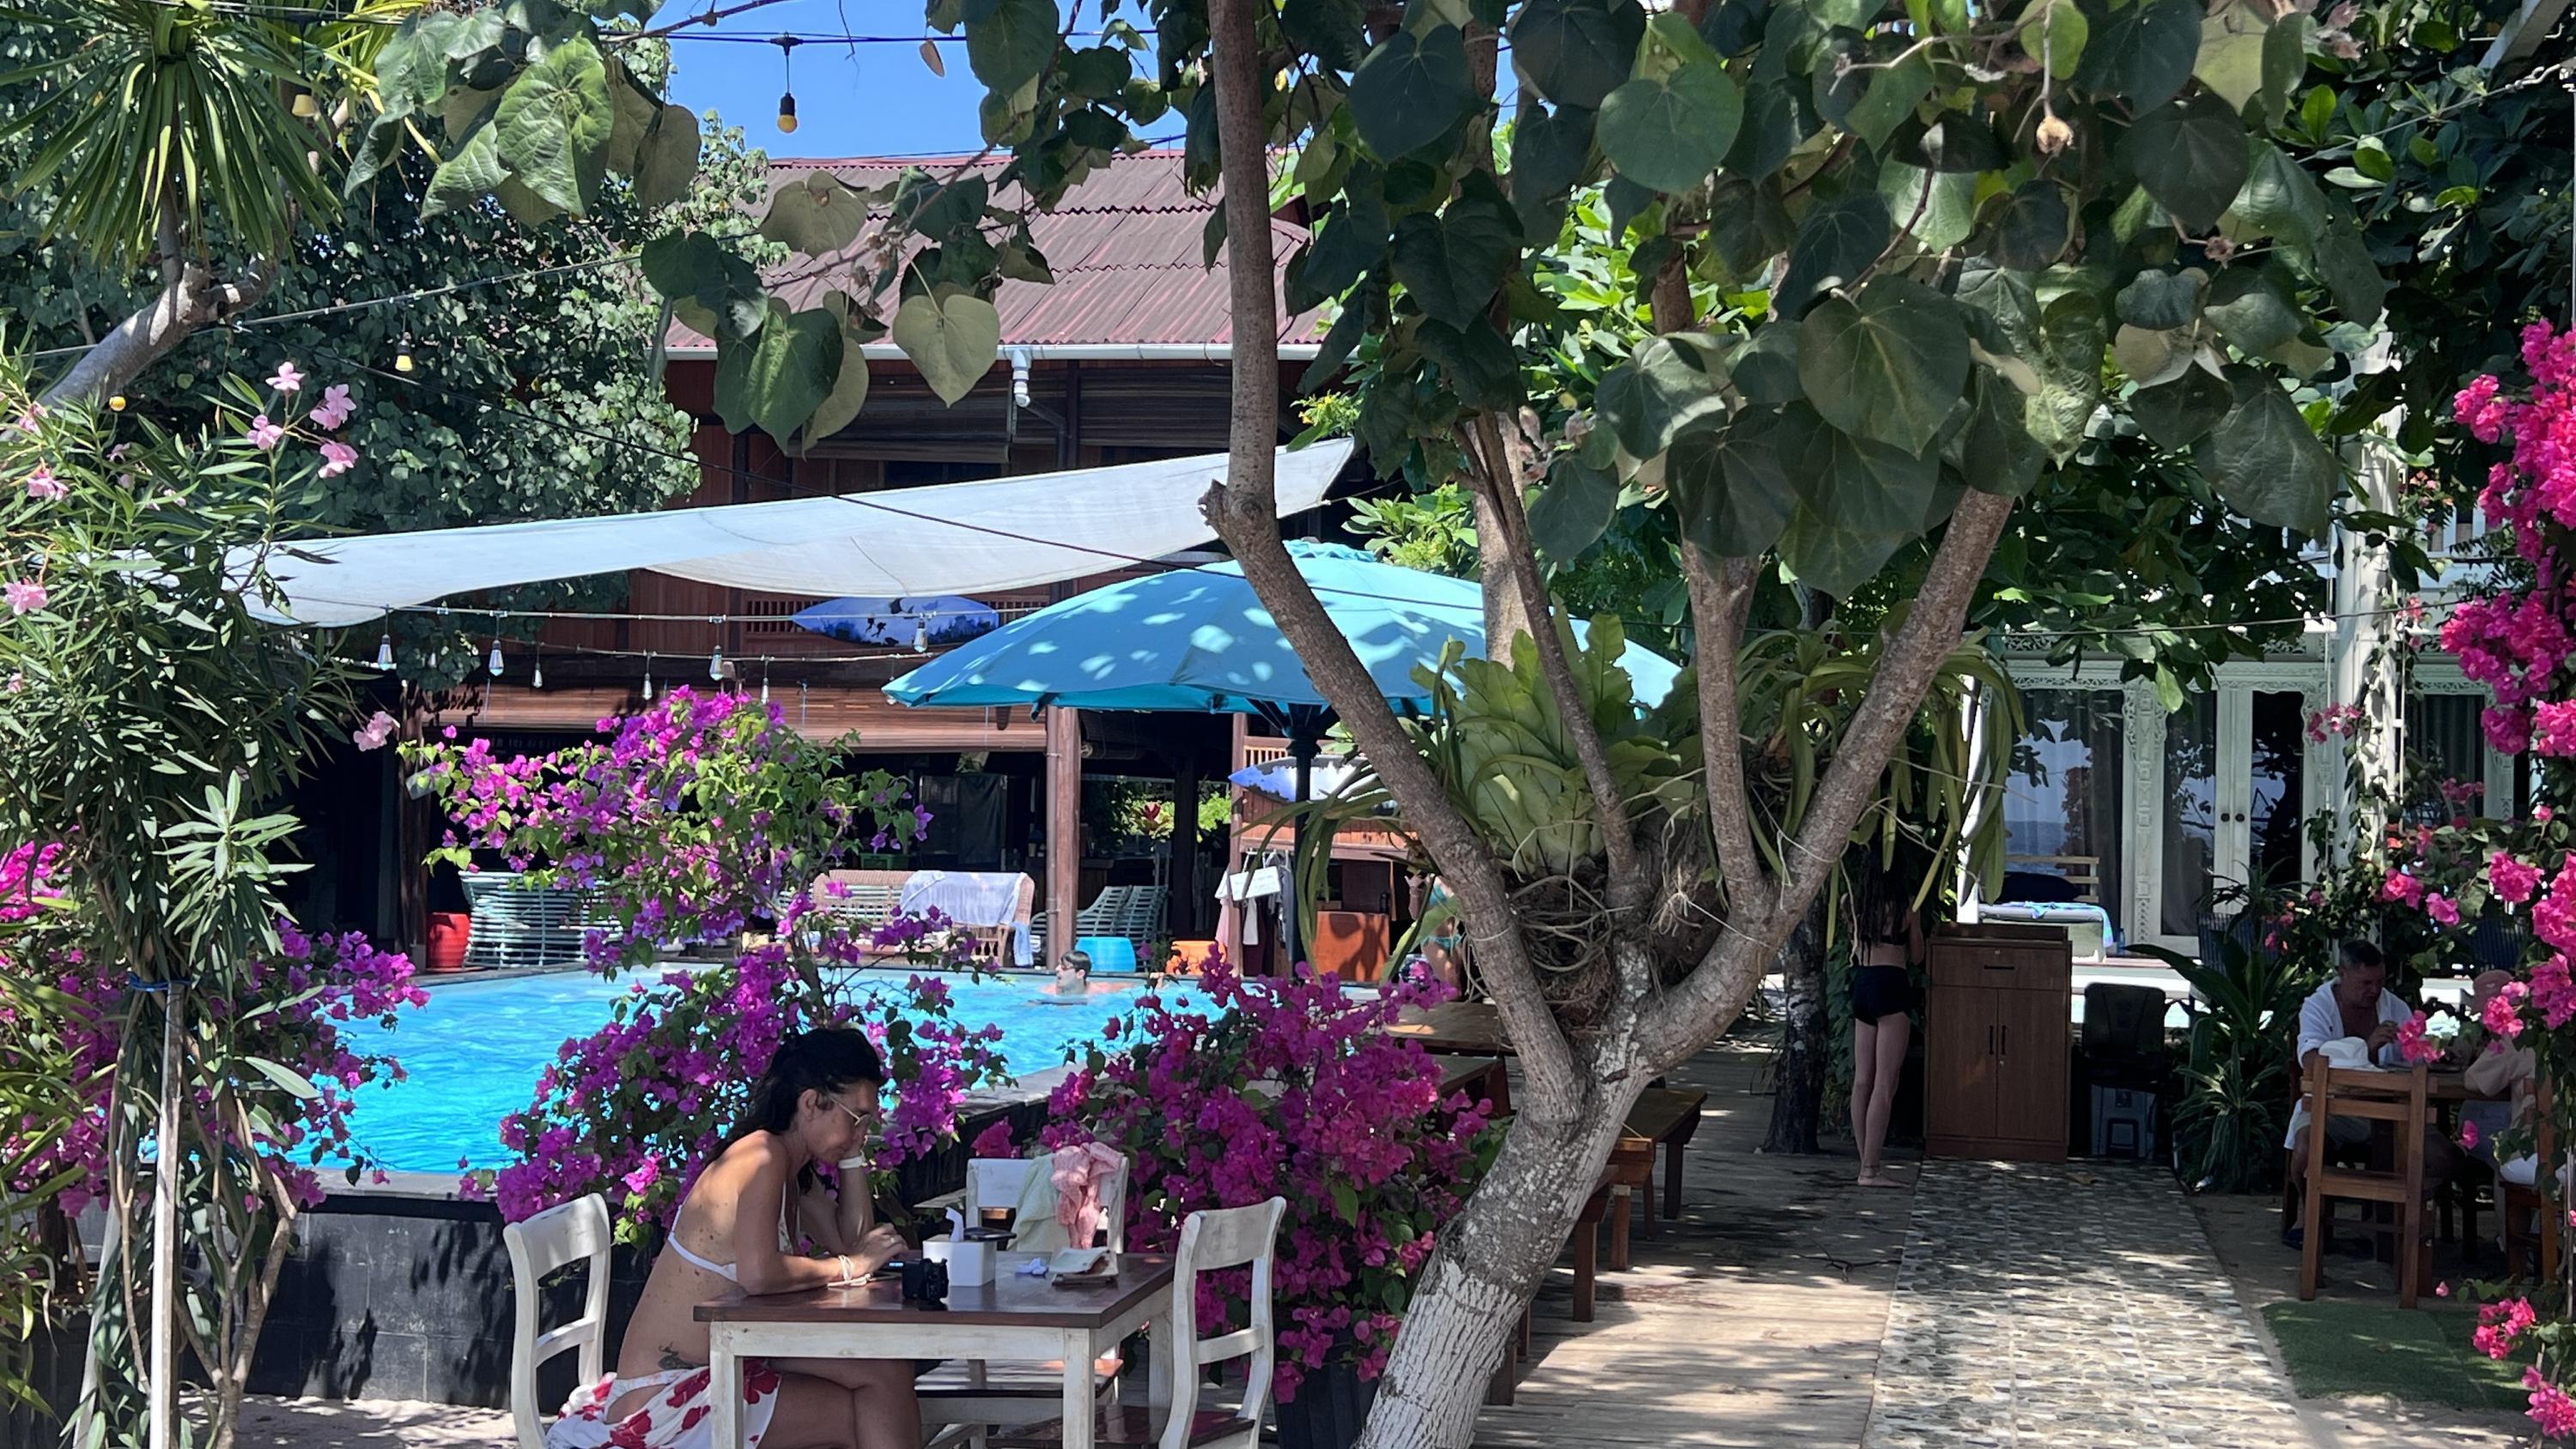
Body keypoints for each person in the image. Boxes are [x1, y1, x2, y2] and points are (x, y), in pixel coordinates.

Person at [547, 1028, 920, 1449]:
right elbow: (760, 1274)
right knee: (867, 1407)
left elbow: (850, 1241)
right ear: (811, 1103)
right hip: (669, 1393)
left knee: (885, 1373)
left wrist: (851, 1151)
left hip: (730, 1361)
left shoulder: (793, 1168)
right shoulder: (761, 1156)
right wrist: (852, 1268)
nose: (863, 1132)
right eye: (858, 1118)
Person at [2283, 940, 2455, 1246]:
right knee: (2304, 1148)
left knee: (2442, 1157)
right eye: (2365, 983)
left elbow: (2422, 1056)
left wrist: (2438, 1052)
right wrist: (2365, 1047)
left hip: (2396, 1112)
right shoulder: (2318, 1005)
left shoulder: (2394, 1007)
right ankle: (2310, 1218)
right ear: (2342, 973)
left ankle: (2395, 1227)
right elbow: (2311, 1063)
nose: (2374, 991)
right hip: (2333, 1107)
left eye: (2379, 982)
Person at [1848, 853, 1925, 1189]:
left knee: (1862, 1081)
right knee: (1885, 1084)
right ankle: (1871, 1170)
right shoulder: (1906, 906)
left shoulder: (1852, 903)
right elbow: (1918, 954)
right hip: (1891, 984)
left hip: (1862, 983)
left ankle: (1865, 1160)